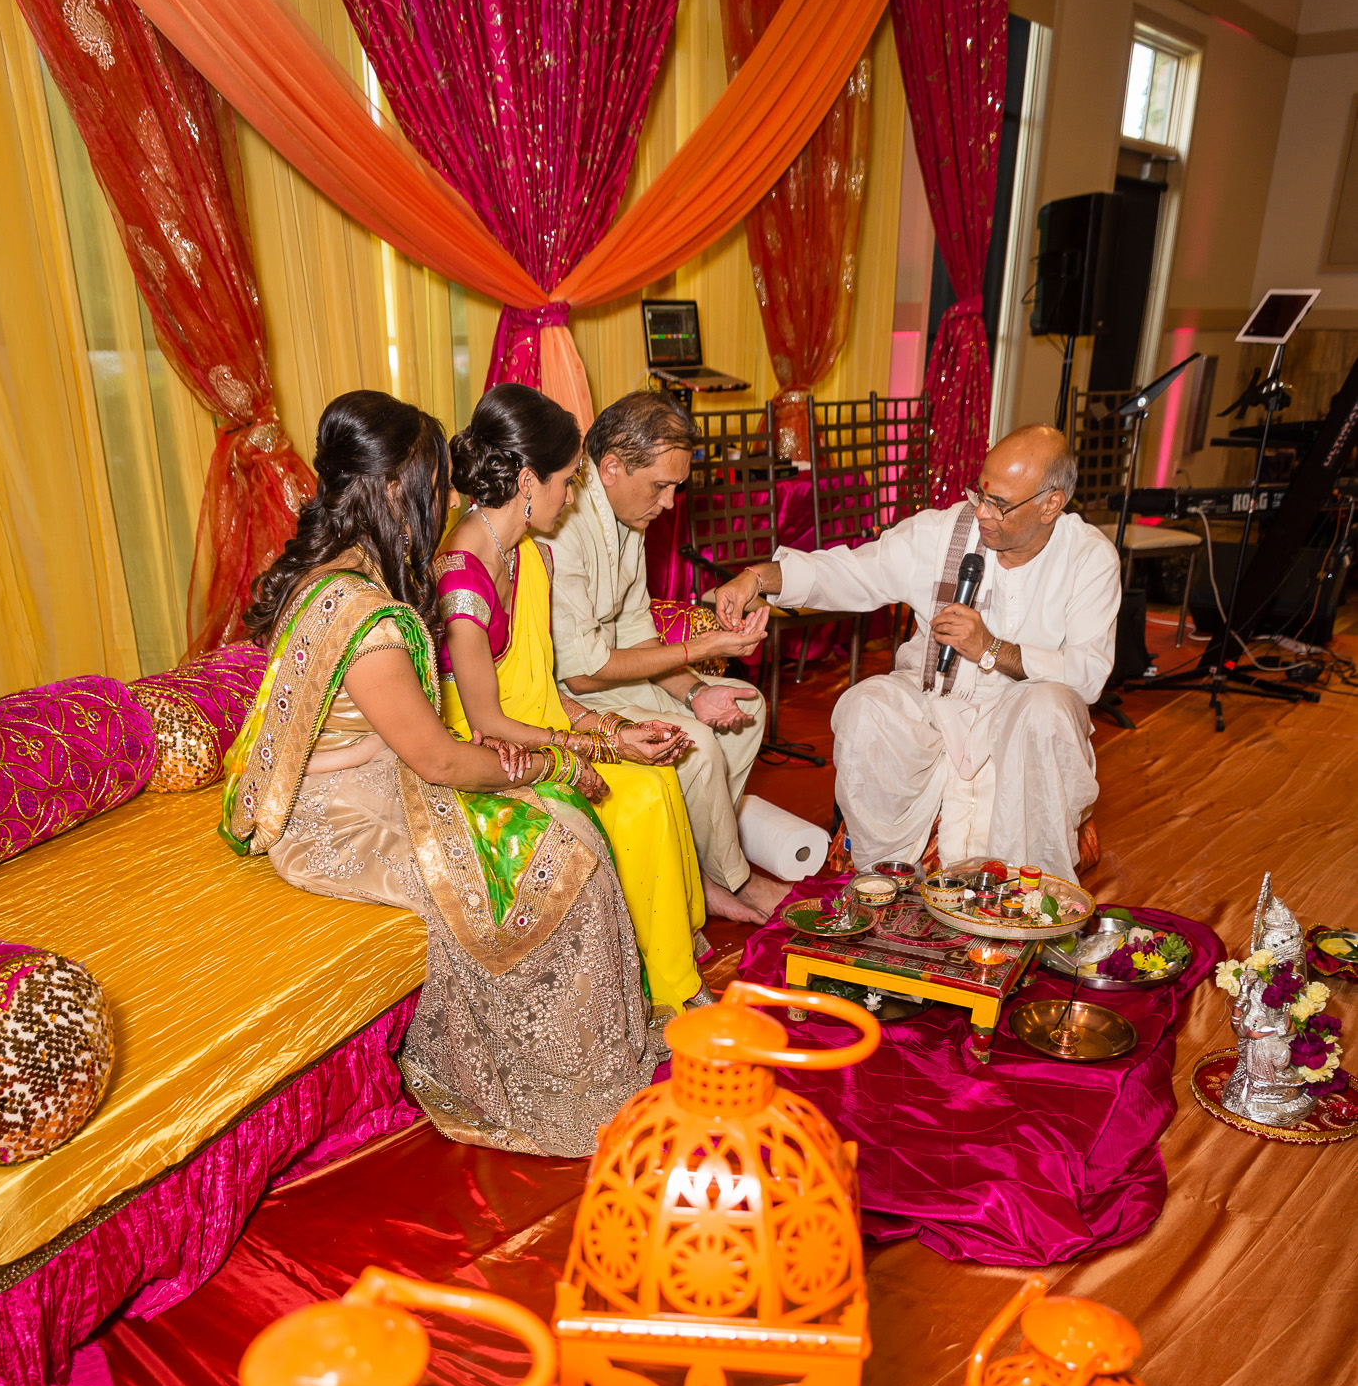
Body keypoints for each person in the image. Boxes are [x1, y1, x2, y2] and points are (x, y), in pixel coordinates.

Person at [222, 389, 661, 1159]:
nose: (444, 499)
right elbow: (437, 757)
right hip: (341, 826)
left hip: (381, 789)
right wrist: (559, 760)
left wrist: (537, 770)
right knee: (557, 865)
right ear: (395, 488)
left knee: (557, 821)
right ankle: (554, 1080)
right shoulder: (359, 612)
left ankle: (592, 1053)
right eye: (431, 483)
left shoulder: (342, 577)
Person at [715, 424, 1122, 881]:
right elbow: (853, 571)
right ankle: (885, 882)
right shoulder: (943, 533)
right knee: (864, 705)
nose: (983, 513)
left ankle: (1030, 900)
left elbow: (1087, 674)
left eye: (1000, 505)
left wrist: (989, 648)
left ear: (1051, 505)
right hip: (934, 699)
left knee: (1046, 708)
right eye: (979, 494)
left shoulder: (1089, 558)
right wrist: (759, 578)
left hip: (1023, 715)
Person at [438, 384, 710, 1015]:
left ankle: (670, 958)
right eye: (566, 481)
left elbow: (543, 688)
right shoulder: (463, 571)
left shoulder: (526, 555)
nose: (571, 496)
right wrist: (589, 748)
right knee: (635, 804)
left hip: (539, 729)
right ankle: (670, 992)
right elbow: (486, 720)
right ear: (528, 480)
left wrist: (614, 732)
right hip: (492, 759)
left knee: (659, 779)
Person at [550, 390, 785, 924]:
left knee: (744, 710)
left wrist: (699, 691)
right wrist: (705, 647)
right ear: (610, 467)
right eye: (662, 485)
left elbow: (637, 632)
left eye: (676, 487)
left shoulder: (627, 515)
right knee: (696, 743)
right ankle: (732, 880)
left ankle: (698, 867)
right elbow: (583, 675)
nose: (671, 502)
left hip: (610, 673)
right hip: (570, 694)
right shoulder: (565, 524)